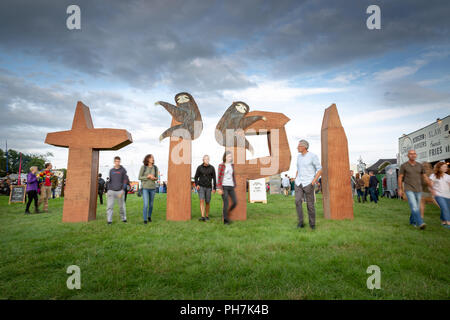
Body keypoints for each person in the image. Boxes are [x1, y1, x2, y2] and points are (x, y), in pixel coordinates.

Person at [398, 149, 433, 230]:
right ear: (408, 156)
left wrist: (431, 187)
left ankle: (412, 221)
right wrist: (400, 189)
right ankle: (420, 223)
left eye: (414, 154)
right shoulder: (404, 166)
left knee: (416, 206)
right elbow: (400, 177)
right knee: (414, 206)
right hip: (409, 189)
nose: (412, 155)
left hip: (418, 189)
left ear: (416, 155)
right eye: (410, 154)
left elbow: (425, 177)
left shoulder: (420, 166)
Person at [294, 140, 322, 230]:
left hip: (308, 183)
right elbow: (298, 168)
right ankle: (301, 222)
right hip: (299, 183)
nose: (297, 148)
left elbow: (320, 169)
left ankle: (312, 224)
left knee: (310, 205)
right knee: (297, 201)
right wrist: (295, 178)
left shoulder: (313, 156)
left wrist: (313, 181)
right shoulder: (298, 157)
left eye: (298, 146)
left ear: (304, 147)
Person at [194, 155, 217, 221]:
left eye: (208, 159)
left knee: (207, 202)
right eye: (206, 159)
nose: (207, 160)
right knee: (201, 200)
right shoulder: (199, 167)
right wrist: (197, 184)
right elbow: (196, 177)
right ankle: (202, 216)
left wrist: (214, 188)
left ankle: (207, 216)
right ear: (203, 160)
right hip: (201, 186)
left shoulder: (212, 168)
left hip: (209, 187)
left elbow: (214, 178)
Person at [217, 151, 237, 225]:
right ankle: (226, 220)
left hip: (231, 186)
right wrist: (219, 188)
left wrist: (234, 184)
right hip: (224, 186)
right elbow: (219, 177)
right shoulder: (221, 165)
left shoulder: (232, 165)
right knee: (226, 203)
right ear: (225, 157)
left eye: (231, 156)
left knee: (235, 202)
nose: (230, 158)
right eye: (229, 156)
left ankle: (226, 213)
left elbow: (233, 176)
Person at [106, 156, 128, 225]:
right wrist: (108, 190)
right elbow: (109, 180)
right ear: (114, 162)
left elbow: (125, 180)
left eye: (118, 161)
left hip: (120, 191)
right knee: (109, 206)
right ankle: (109, 221)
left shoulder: (123, 170)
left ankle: (123, 219)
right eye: (116, 161)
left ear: (120, 162)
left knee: (121, 206)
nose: (117, 163)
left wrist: (123, 190)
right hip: (111, 191)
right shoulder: (111, 170)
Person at [138, 154, 159, 224]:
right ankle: (145, 219)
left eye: (153, 158)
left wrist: (154, 178)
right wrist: (148, 176)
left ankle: (149, 216)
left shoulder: (155, 167)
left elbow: (157, 178)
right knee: (146, 204)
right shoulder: (143, 167)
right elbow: (139, 177)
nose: (153, 159)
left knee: (151, 205)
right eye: (151, 158)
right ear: (147, 159)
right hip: (145, 188)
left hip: (153, 188)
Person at [429, 162, 450, 228]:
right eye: (444, 166)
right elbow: (430, 185)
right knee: (444, 208)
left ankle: (443, 222)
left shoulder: (448, 176)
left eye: (446, 167)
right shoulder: (433, 176)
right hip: (438, 195)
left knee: (446, 208)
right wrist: (432, 191)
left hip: (447, 195)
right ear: (439, 167)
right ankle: (448, 222)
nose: (446, 168)